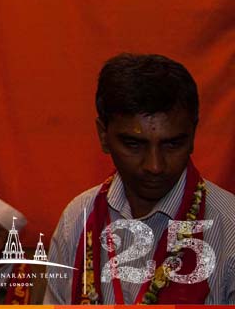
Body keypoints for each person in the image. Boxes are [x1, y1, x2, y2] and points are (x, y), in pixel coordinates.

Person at [44, 53, 235, 304]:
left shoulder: (228, 225)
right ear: (103, 136)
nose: (155, 165)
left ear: (193, 135)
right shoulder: (77, 219)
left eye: (172, 144)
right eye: (134, 144)